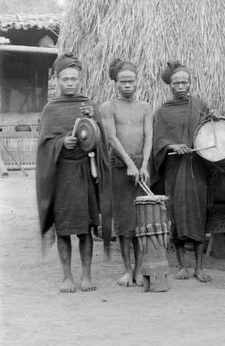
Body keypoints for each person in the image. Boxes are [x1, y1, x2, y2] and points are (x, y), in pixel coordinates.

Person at [36, 54, 112, 293]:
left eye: (74, 78)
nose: (70, 83)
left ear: (80, 80)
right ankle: (67, 277)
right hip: (61, 177)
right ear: (57, 80)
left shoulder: (89, 106)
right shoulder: (51, 109)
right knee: (64, 228)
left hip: (84, 174)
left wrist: (92, 124)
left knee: (85, 227)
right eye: (65, 79)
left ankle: (87, 275)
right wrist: (61, 143)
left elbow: (102, 140)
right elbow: (43, 144)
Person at [152, 61, 211, 283]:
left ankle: (199, 266)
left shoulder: (200, 106)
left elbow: (209, 132)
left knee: (197, 214)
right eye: (176, 82)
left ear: (190, 83)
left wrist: (213, 119)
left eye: (184, 82)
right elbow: (158, 140)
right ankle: (182, 265)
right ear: (170, 85)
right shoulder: (163, 111)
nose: (180, 86)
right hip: (174, 169)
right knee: (175, 213)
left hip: (196, 167)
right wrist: (172, 146)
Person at [100, 59, 152, 287]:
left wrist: (144, 165)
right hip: (120, 168)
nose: (127, 85)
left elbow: (149, 136)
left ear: (136, 82)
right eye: (123, 82)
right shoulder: (108, 107)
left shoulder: (145, 107)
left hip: (141, 169)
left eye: (131, 81)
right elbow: (111, 137)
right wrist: (130, 163)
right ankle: (127, 269)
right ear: (116, 83)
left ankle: (140, 269)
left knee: (141, 222)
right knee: (124, 223)